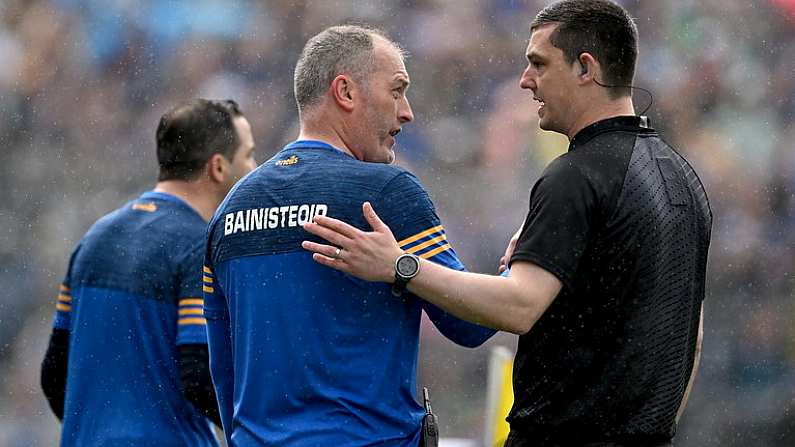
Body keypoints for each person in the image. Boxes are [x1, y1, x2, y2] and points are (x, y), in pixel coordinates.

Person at [301, 1, 713, 446]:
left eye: (539, 63)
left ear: (585, 68)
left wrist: (400, 265)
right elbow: (690, 331)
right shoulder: (683, 178)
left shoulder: (576, 176)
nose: (526, 81)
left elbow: (518, 307)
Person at [202, 25, 494, 446]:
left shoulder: (229, 210)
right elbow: (470, 324)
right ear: (346, 92)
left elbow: (223, 373)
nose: (407, 111)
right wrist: (514, 272)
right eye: (397, 90)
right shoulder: (385, 193)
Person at [40, 99, 257, 446]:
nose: (254, 168)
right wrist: (262, 427)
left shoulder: (93, 239)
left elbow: (54, 374)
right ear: (218, 167)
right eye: (248, 156)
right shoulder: (198, 247)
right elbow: (199, 373)